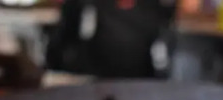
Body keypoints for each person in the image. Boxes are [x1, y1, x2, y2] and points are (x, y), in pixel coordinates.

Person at [46, 0, 176, 78]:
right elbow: (62, 43)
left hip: (142, 81)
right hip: (93, 81)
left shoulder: (154, 6)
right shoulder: (85, 5)